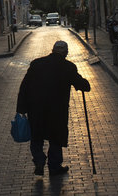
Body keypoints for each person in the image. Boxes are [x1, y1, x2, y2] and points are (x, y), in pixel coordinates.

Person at [16, 41, 91, 176]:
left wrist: (21, 107)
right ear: (66, 52)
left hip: (36, 109)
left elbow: (24, 86)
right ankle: (54, 166)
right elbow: (80, 84)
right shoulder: (68, 67)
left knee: (36, 136)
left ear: (52, 50)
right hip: (57, 111)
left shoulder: (36, 64)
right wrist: (86, 85)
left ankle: (39, 159)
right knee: (56, 137)